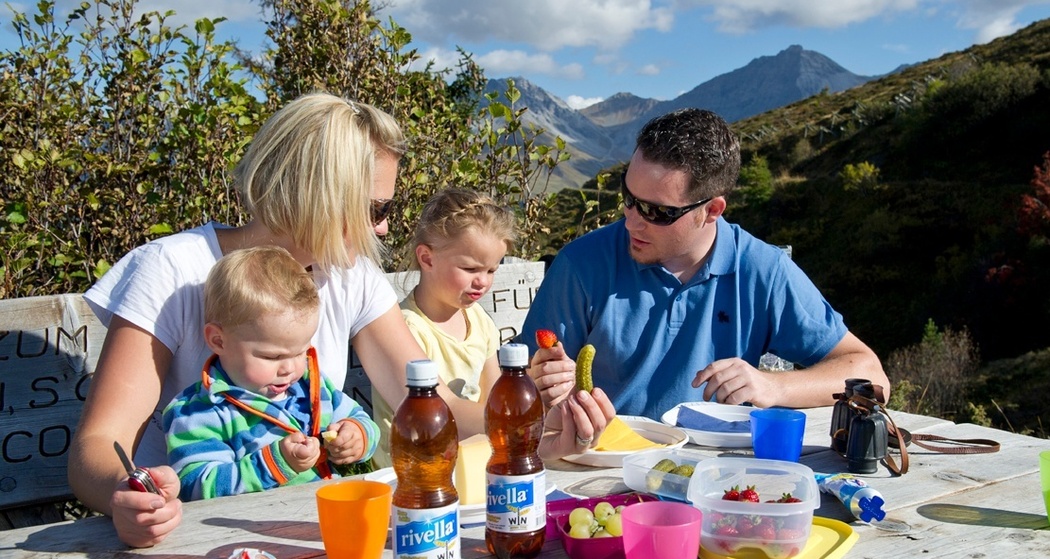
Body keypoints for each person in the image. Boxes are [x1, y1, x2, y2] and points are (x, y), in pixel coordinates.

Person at [70, 92, 428, 547]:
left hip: (302, 530)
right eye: (376, 209)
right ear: (318, 195)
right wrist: (128, 495)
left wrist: (535, 416)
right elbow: (99, 446)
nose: (382, 228)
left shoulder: (350, 273)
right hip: (193, 533)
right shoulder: (172, 270)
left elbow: (424, 402)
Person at [521, 108, 890, 420]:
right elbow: (519, 387)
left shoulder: (762, 269)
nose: (631, 220)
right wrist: (540, 384)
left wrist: (772, 385)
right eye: (629, 197)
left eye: (657, 211)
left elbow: (871, 375)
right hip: (605, 471)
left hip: (719, 477)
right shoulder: (582, 264)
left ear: (712, 210)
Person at [378, 187, 616, 464]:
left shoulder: (478, 321)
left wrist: (554, 411)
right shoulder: (408, 328)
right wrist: (528, 416)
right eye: (470, 269)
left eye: (492, 270)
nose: (483, 281)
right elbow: (438, 417)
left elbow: (494, 401)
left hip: (472, 460)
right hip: (416, 469)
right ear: (427, 258)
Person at [163, 246, 378, 500]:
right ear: (218, 341)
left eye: (301, 351)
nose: (290, 368)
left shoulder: (311, 387)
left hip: (322, 515)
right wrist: (276, 463)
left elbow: (360, 419)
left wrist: (356, 436)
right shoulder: (200, 411)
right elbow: (196, 487)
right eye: (272, 357)